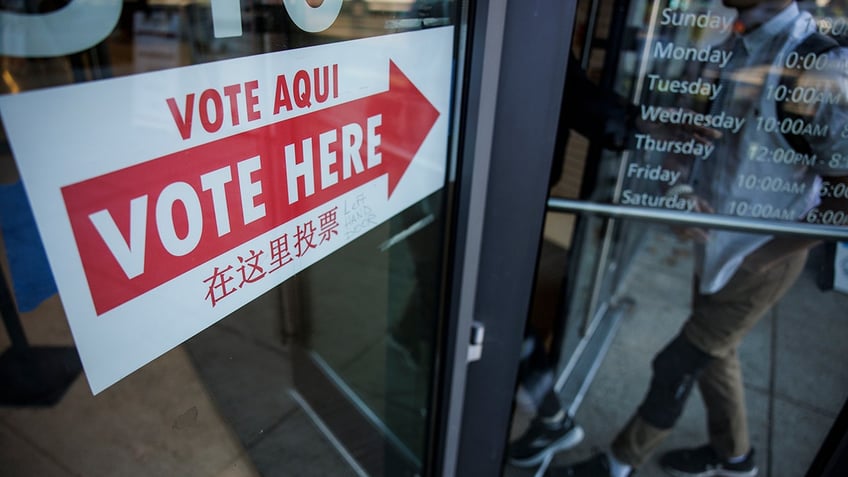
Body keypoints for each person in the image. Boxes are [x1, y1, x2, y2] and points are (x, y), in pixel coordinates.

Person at [548, 0, 848, 476]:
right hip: (715, 242)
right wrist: (681, 189)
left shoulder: (820, 65)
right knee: (714, 352)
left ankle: (617, 463)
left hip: (759, 257)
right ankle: (736, 457)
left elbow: (845, 195)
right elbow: (693, 136)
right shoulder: (729, 44)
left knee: (678, 364)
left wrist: (764, 257)